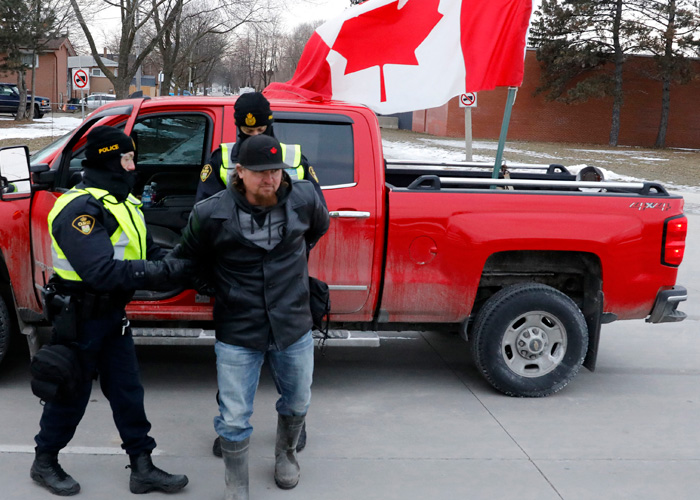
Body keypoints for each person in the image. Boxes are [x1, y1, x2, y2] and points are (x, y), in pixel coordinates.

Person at [31, 126, 192, 496]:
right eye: (128, 158)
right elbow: (100, 271)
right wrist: (157, 273)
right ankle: (44, 462)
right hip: (81, 318)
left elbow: (148, 253)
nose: (134, 166)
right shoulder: (80, 208)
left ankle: (142, 468)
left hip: (113, 316)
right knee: (70, 393)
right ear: (108, 160)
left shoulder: (126, 203)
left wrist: (183, 266)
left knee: (127, 392)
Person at [175, 134, 329, 499]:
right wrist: (221, 289)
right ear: (239, 171)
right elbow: (188, 259)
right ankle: (236, 483)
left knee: (297, 401)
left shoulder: (305, 199)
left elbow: (316, 231)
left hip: (293, 325)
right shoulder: (210, 212)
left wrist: (286, 274)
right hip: (238, 329)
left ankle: (286, 453)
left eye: (275, 171)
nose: (270, 179)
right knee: (232, 416)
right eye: (260, 172)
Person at [197, 91, 323, 458]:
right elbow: (203, 216)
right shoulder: (221, 158)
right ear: (237, 124)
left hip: (284, 281)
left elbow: (313, 216)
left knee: (295, 376)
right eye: (245, 127)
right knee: (235, 366)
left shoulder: (293, 158)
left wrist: (290, 257)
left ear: (270, 121)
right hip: (236, 283)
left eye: (260, 126)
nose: (253, 134)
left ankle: (293, 430)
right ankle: (232, 427)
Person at [195, 91, 323, 204]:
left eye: (261, 130)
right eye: (248, 131)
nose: (255, 136)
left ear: (269, 126)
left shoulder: (295, 158)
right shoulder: (221, 160)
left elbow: (316, 211)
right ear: (240, 129)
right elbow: (205, 213)